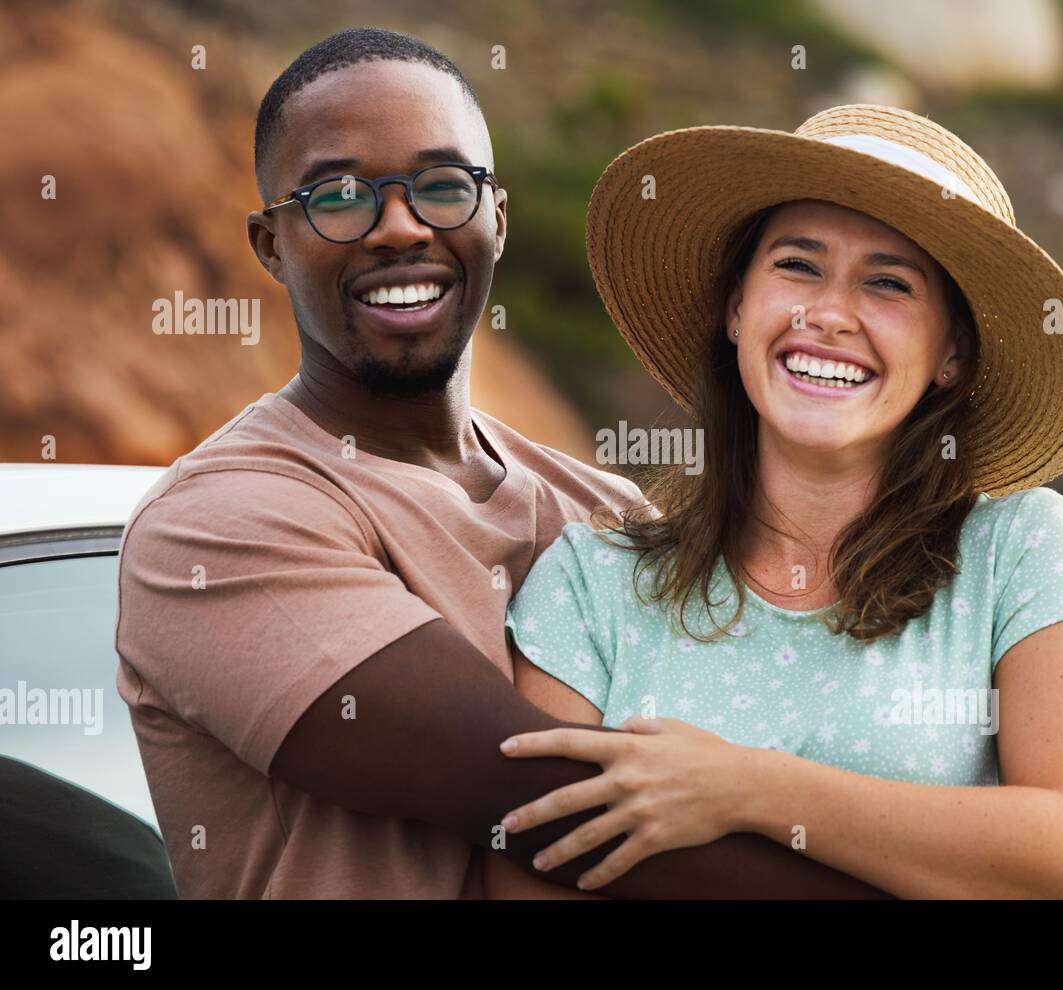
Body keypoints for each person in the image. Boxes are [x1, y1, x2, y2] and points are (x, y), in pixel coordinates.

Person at [114, 30, 886, 899]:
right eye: (338, 197)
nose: (398, 226)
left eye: (444, 187)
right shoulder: (217, 524)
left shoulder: (609, 510)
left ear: (498, 219)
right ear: (269, 244)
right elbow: (541, 796)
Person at [487, 105, 1063, 898]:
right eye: (797, 265)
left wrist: (747, 790)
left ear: (952, 353)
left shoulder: (1023, 549)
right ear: (735, 308)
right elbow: (529, 867)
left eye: (889, 283)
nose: (828, 314)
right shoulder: (592, 583)